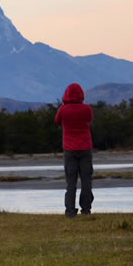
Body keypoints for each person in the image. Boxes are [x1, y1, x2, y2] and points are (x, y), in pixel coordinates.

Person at [54, 82, 93, 216]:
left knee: (71, 182)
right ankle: (86, 209)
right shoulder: (87, 109)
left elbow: (57, 121)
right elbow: (89, 120)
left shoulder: (62, 109)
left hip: (69, 149)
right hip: (85, 147)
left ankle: (70, 210)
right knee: (86, 181)